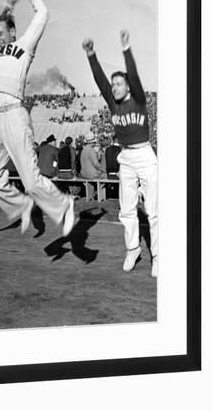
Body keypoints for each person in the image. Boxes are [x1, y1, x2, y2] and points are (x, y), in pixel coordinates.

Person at [0, 0, 74, 236]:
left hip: (14, 115)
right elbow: (1, 21)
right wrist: (6, 6)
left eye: (0, 34)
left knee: (31, 181)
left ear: (13, 32)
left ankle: (64, 204)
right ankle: (21, 205)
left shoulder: (25, 46)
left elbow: (42, 14)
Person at [82, 30, 158, 277]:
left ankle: (158, 256)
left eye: (118, 83)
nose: (113, 87)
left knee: (155, 210)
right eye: (113, 84)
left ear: (127, 86)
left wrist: (126, 49)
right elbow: (99, 80)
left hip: (145, 155)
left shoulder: (138, 99)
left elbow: (133, 75)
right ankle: (133, 249)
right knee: (127, 209)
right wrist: (91, 54)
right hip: (126, 157)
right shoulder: (112, 102)